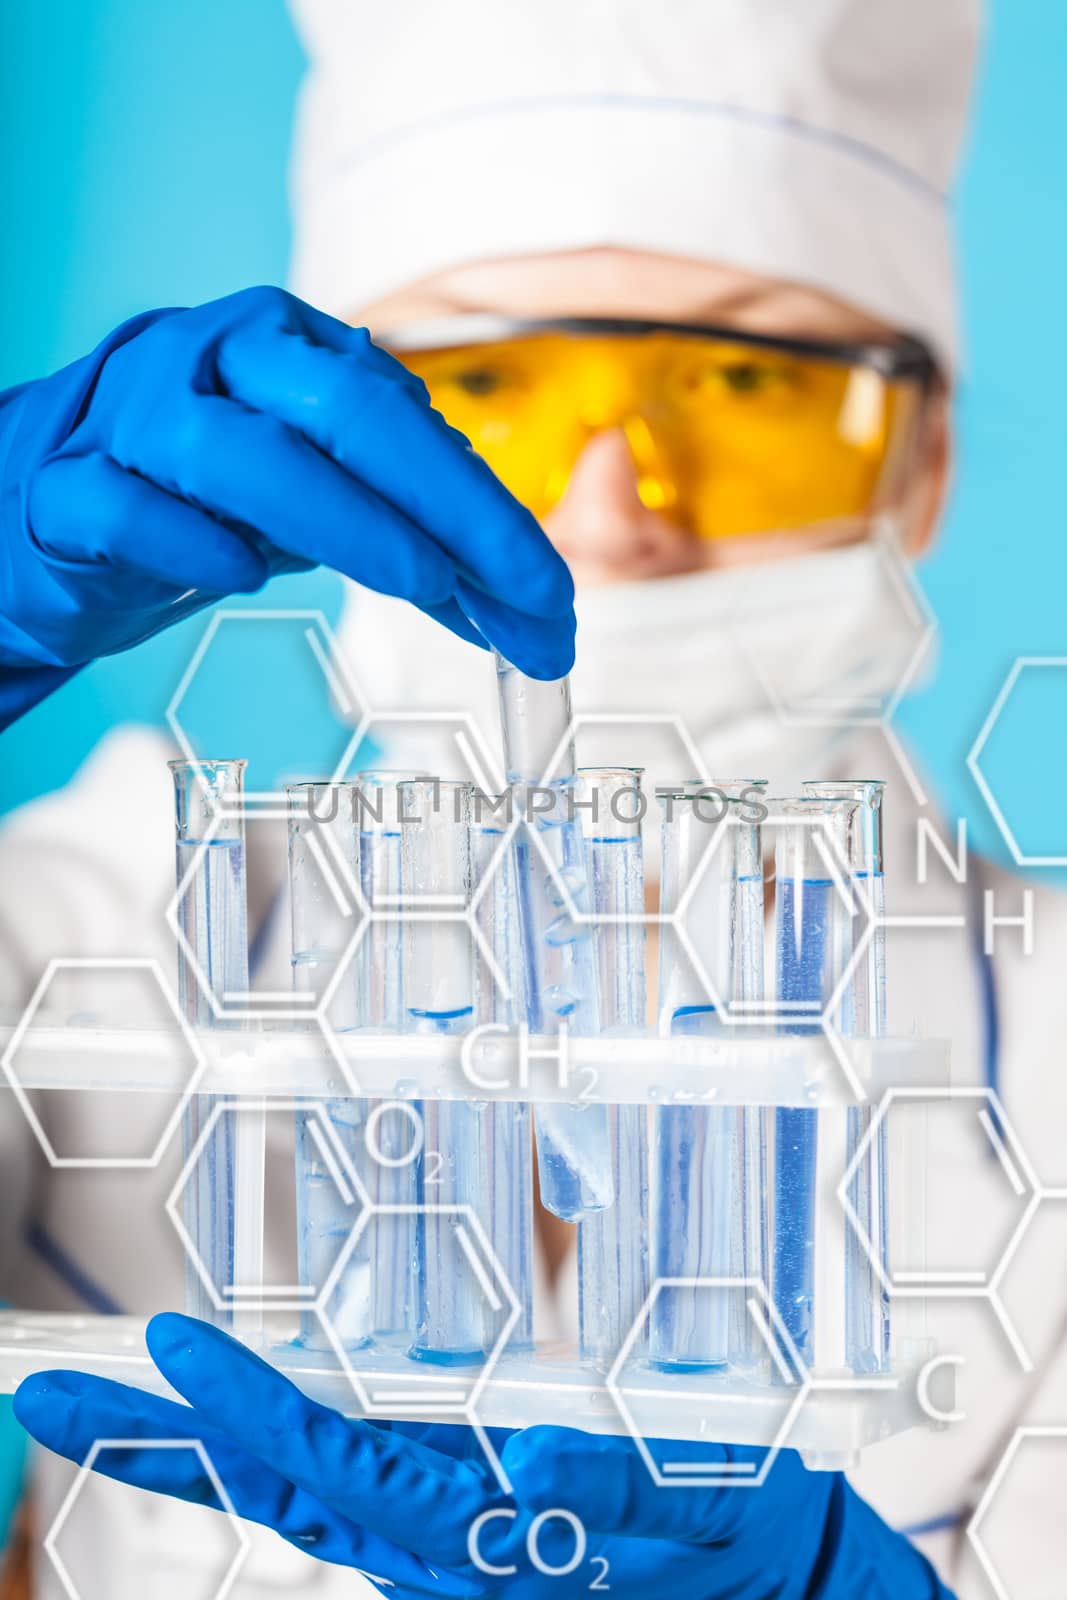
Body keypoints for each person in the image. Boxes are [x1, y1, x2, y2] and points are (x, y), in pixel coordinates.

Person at [3, 0, 1065, 1596]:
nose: (610, 515)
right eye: (482, 390)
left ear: (923, 461)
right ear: (293, 450)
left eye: (745, 386)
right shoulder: (121, 903)